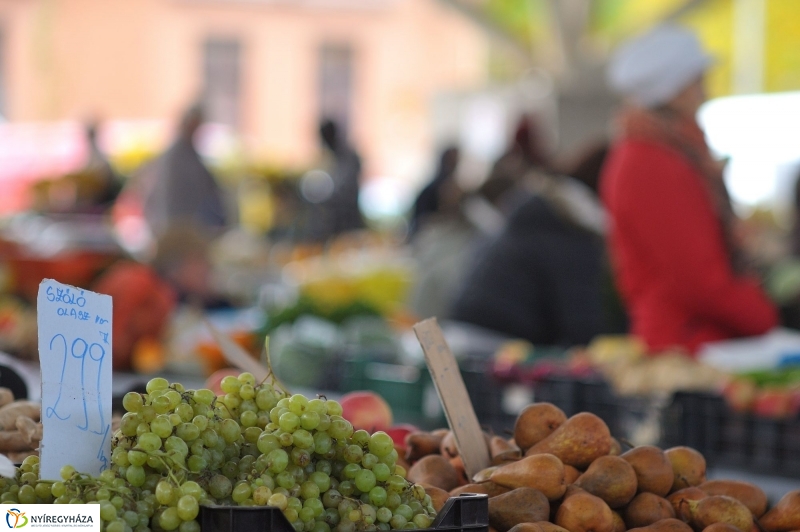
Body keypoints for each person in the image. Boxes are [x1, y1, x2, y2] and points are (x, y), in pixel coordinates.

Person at [601, 24, 778, 355]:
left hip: (691, 339)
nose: (705, 92)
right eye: (697, 82)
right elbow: (698, 280)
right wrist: (763, 315)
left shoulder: (661, 151)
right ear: (673, 91)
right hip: (688, 344)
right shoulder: (651, 160)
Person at [449, 154, 611, 347]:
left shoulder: (535, 215)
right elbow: (581, 320)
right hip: (502, 342)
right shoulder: (569, 230)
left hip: (464, 329)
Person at [141, 103, 227, 238]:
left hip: (187, 223)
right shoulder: (175, 156)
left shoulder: (190, 154)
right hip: (174, 225)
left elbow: (208, 184)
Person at [310, 119, 364, 241]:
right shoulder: (332, 157)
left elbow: (343, 188)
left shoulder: (347, 156)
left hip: (346, 218)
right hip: (335, 219)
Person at [408, 146, 460, 239]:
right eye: (452, 160)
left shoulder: (451, 187)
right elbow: (422, 220)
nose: (455, 164)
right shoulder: (434, 190)